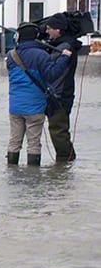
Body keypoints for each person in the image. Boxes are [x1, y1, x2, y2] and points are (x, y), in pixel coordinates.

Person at [6, 22, 71, 166]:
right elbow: (52, 75)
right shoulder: (41, 55)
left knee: (14, 141)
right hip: (35, 107)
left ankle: (12, 172)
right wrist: (64, 58)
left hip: (15, 107)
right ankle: (33, 177)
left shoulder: (11, 55)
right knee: (34, 143)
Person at [42, 13, 81, 163]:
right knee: (59, 130)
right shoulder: (60, 44)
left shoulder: (65, 46)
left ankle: (65, 161)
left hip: (61, 95)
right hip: (58, 93)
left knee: (58, 131)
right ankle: (66, 163)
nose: (47, 31)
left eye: (49, 28)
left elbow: (48, 62)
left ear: (58, 30)